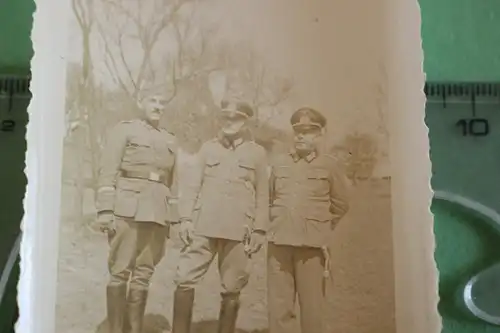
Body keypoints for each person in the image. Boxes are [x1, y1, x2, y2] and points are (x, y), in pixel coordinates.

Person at [172, 98, 269, 333]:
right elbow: (192, 186)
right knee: (184, 278)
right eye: (225, 117)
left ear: (246, 122)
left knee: (232, 286)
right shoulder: (208, 148)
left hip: (238, 229)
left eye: (235, 118)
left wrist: (259, 230)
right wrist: (185, 219)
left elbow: (263, 195)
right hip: (203, 225)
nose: (229, 122)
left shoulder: (257, 153)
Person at [93, 85, 179, 333]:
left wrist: (173, 218)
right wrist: (105, 211)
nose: (157, 106)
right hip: (127, 210)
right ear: (141, 102)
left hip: (157, 213)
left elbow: (173, 182)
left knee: (143, 273)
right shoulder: (124, 130)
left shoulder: (169, 139)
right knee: (120, 271)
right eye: (152, 100)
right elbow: (108, 171)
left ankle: (135, 329)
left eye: (162, 102)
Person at [267, 107, 350, 333]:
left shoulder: (330, 165)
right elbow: (269, 198)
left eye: (308, 131)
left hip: (311, 248)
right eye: (298, 131)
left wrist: (320, 225)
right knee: (279, 308)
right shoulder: (279, 163)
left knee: (312, 309)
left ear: (319, 134)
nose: (301, 136)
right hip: (279, 244)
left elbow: (341, 203)